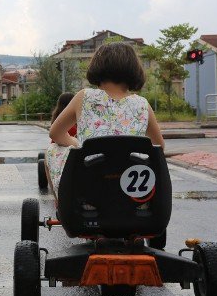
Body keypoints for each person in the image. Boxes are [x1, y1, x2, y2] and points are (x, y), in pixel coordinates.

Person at [46, 42, 164, 198]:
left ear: (97, 67)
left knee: (51, 151)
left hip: (90, 181)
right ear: (134, 70)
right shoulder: (143, 104)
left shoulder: (84, 97)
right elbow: (159, 147)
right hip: (129, 184)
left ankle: (63, 207)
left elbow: (55, 134)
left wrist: (77, 143)